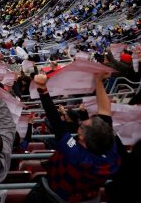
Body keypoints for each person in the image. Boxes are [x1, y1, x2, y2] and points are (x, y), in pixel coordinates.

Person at [25, 72, 121, 203]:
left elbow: (56, 122)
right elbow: (105, 111)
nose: (79, 124)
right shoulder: (110, 153)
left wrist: (42, 89)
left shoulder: (75, 155)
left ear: (81, 137)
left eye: (81, 126)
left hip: (52, 197)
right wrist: (98, 82)